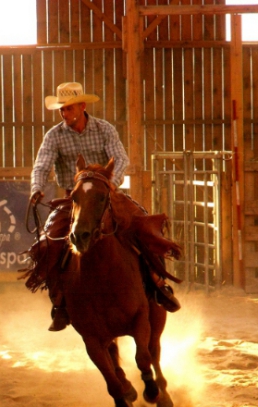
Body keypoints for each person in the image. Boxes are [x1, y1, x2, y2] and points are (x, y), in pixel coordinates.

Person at [27, 82, 181, 331]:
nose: (63, 114)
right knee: (48, 244)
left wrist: (110, 183)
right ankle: (60, 301)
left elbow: (120, 158)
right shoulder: (54, 136)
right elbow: (42, 165)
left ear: (82, 106)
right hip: (73, 199)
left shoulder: (103, 129)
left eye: (67, 109)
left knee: (143, 227)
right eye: (61, 110)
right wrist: (36, 187)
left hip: (107, 196)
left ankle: (157, 283)